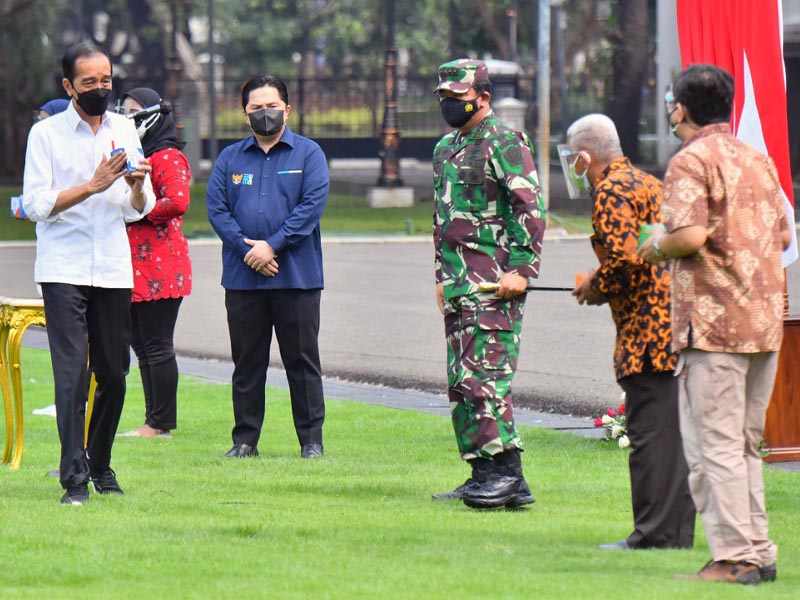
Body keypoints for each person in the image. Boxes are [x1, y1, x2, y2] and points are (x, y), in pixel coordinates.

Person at [639, 64, 790, 585]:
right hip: (765, 323)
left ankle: (736, 557)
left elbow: (689, 236)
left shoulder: (690, 161)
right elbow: (787, 236)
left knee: (714, 446)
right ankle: (758, 550)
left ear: (678, 108)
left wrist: (653, 245)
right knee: (745, 445)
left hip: (713, 327)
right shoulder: (758, 157)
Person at [22, 41, 155, 505]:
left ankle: (100, 463)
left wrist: (136, 188)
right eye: (89, 83)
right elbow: (36, 204)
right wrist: (91, 186)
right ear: (68, 86)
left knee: (115, 374)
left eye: (106, 81)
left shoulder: (124, 128)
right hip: (64, 268)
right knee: (71, 376)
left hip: (114, 269)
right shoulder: (47, 135)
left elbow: (141, 209)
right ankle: (74, 478)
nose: (100, 89)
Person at [566, 114, 695, 550]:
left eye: (572, 159)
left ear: (585, 157)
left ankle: (652, 534)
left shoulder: (610, 192)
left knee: (650, 437)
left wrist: (592, 285)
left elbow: (621, 264)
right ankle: (674, 531)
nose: (572, 168)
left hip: (646, 331)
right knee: (673, 437)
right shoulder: (647, 183)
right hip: (675, 320)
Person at [431, 59, 545, 509]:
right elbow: (442, 221)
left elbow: (528, 210)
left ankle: (508, 475)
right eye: (444, 97)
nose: (449, 104)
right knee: (462, 381)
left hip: (496, 282)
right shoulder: (446, 147)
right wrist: (441, 276)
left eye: (457, 97)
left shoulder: (504, 141)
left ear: (482, 96)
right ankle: (484, 472)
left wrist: (522, 269)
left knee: (488, 379)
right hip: (459, 284)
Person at [207, 74, 328, 459]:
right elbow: (217, 209)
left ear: (287, 110)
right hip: (243, 279)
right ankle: (245, 440)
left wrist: (272, 246)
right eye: (256, 108)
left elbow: (310, 208)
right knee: (247, 363)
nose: (265, 114)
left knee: (302, 361)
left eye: (272, 107)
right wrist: (249, 251)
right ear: (245, 114)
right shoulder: (230, 158)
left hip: (296, 278)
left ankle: (311, 442)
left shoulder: (309, 155)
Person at [117, 87, 192, 439]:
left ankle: (161, 423)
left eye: (133, 111)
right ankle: (153, 420)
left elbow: (177, 202)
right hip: (137, 268)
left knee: (157, 344)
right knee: (142, 345)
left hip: (160, 267)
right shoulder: (138, 154)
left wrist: (137, 213)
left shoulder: (165, 156)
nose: (125, 116)